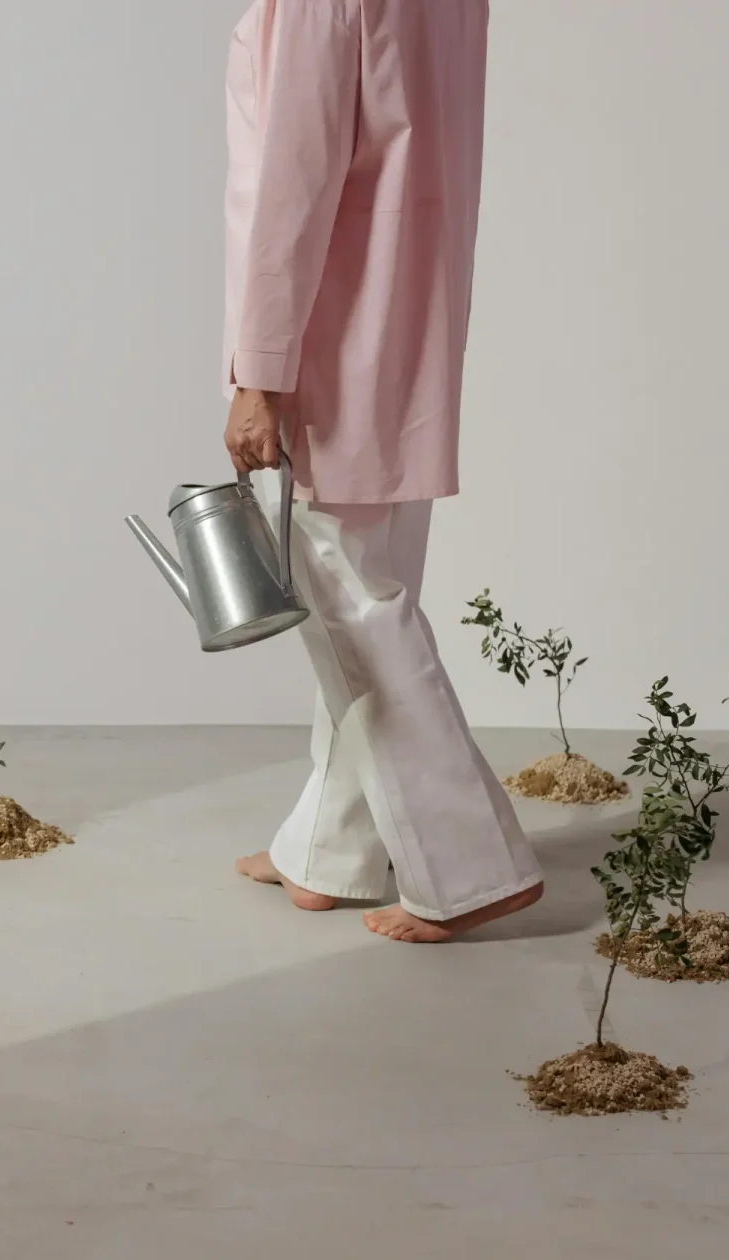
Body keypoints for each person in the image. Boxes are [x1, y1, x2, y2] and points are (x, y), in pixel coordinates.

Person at [221, 0, 543, 942]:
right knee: (364, 586)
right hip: (409, 321)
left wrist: (261, 374)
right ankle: (333, 850)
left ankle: (473, 865)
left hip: (333, 330)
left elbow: (294, 185)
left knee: (357, 602)